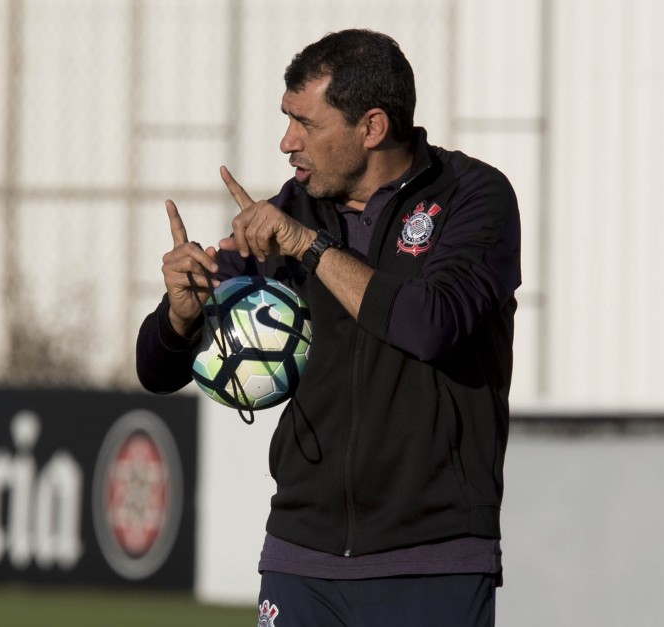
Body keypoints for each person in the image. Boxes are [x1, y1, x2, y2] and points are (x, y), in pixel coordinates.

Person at [136, 28, 520, 627]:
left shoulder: (474, 196)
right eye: (287, 119)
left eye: (305, 124)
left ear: (371, 128)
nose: (286, 141)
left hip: (434, 559)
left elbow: (432, 325)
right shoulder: (293, 210)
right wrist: (180, 314)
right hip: (300, 555)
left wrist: (308, 247)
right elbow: (156, 372)